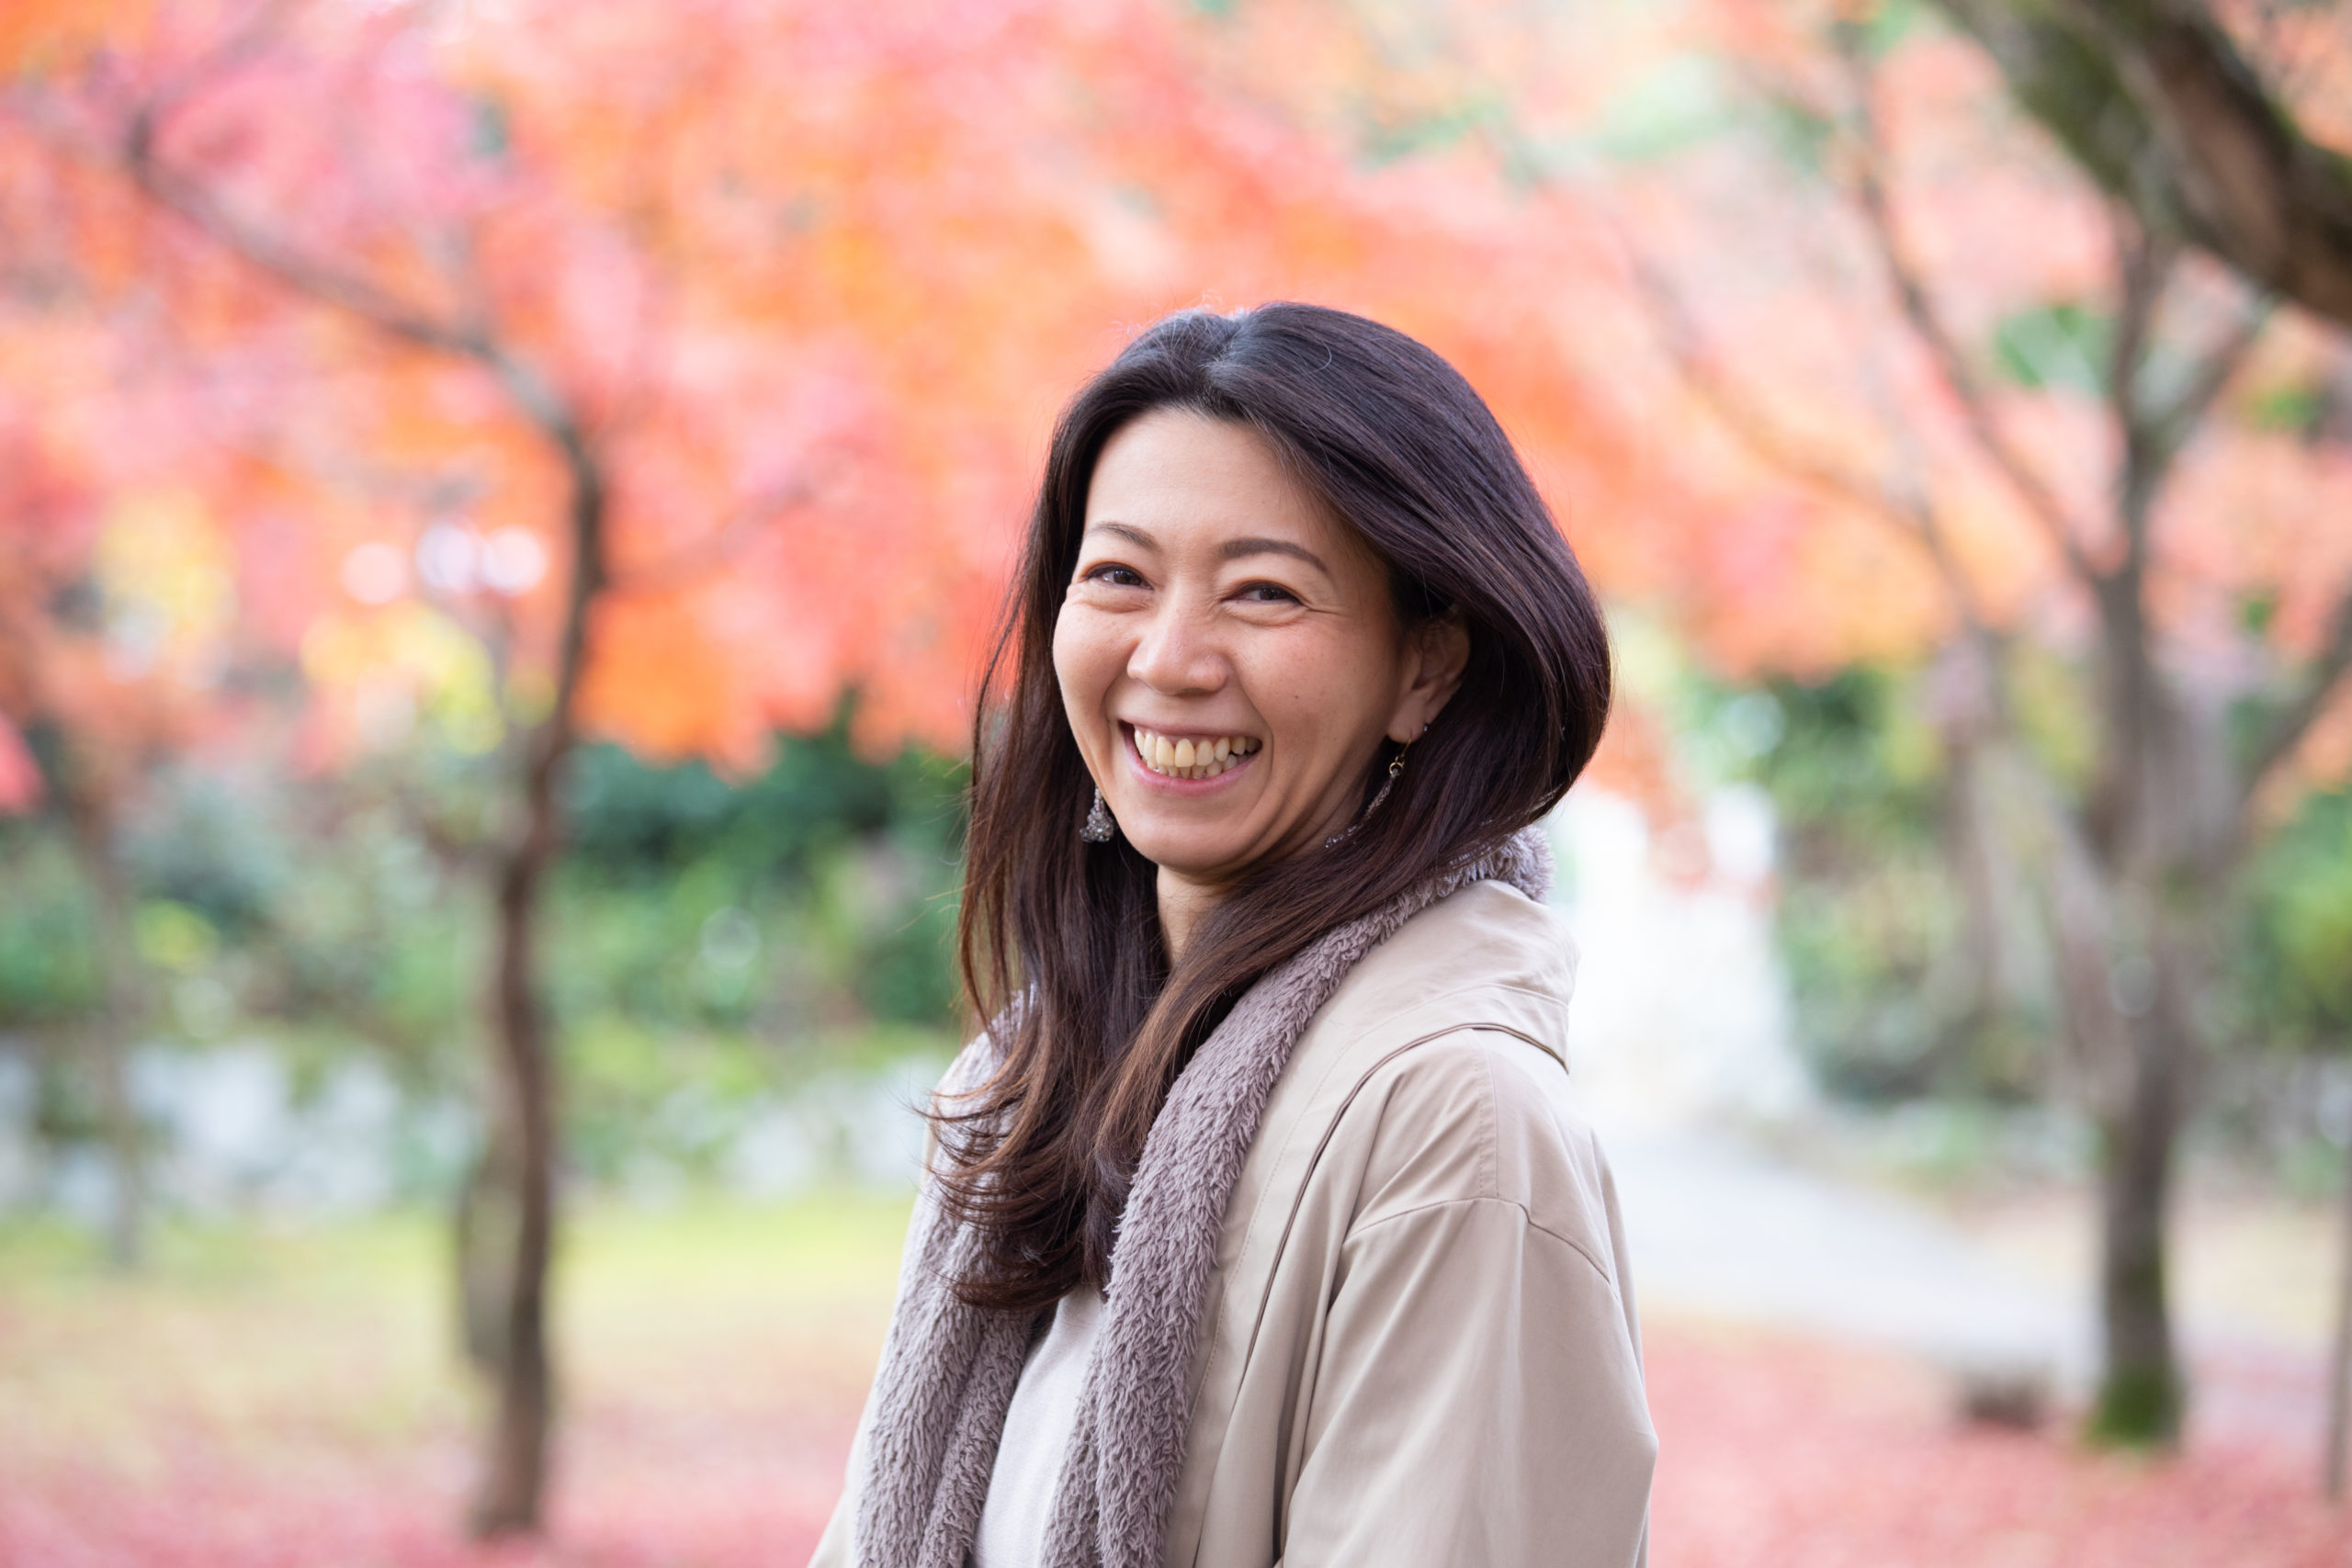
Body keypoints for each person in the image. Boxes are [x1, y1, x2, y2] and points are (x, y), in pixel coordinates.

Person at [808, 302, 1653, 1568]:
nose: (1171, 657)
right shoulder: (1024, 1082)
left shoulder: (1454, 1123)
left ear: (1426, 670)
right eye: (1119, 578)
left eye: (1265, 592)